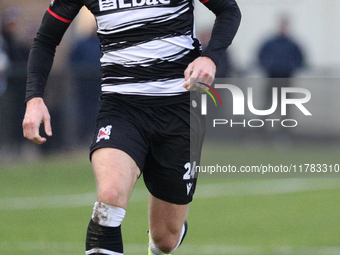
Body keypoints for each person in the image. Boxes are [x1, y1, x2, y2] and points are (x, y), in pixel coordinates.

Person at [22, 0, 241, 254]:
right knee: (110, 196)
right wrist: (34, 98)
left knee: (165, 240)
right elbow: (46, 39)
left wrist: (209, 58)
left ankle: (171, 229)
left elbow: (228, 9)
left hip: (180, 110)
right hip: (122, 109)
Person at [258, 16, 305, 118]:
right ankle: (261, 128)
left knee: (285, 105)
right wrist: (268, 66)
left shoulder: (292, 45)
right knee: (268, 103)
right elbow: (260, 57)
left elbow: (301, 60)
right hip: (271, 78)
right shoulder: (270, 43)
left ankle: (284, 129)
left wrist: (289, 67)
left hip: (286, 79)